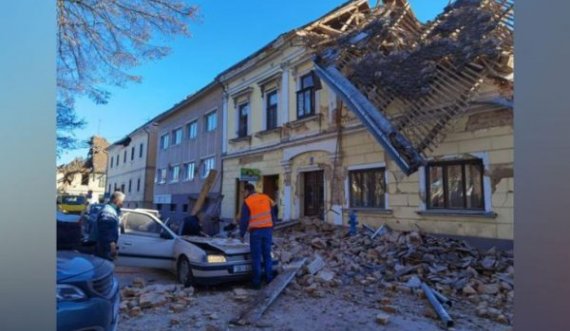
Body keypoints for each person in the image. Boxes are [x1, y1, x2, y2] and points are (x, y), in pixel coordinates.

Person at [239, 183, 277, 289]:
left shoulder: (247, 201)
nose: (243, 194)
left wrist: (241, 234)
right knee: (267, 255)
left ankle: (256, 283)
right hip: (267, 230)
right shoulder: (266, 197)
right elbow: (274, 209)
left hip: (256, 232)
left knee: (256, 257)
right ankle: (269, 278)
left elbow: (244, 220)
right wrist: (273, 224)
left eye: (243, 192)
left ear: (247, 191)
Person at [95, 191, 125, 261]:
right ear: (116, 200)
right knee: (104, 268)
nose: (122, 204)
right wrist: (112, 245)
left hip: (104, 247)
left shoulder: (111, 210)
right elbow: (105, 230)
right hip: (104, 249)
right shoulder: (108, 212)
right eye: (122, 201)